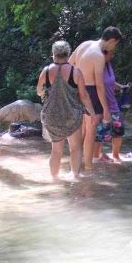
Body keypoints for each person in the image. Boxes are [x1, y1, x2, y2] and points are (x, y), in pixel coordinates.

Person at [38, 40, 95, 180]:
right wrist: (92, 112)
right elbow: (84, 96)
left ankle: (54, 179)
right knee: (75, 148)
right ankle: (75, 176)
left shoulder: (46, 71)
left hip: (52, 116)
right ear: (68, 54)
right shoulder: (75, 72)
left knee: (56, 151)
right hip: (72, 115)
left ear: (53, 54)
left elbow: (39, 91)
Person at [68, 26, 124, 170]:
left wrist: (78, 79)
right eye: (115, 44)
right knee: (90, 132)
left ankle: (75, 166)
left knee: (80, 131)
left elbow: (70, 63)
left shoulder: (85, 44)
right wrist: (106, 109)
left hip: (77, 90)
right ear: (112, 40)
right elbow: (100, 85)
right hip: (91, 91)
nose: (114, 47)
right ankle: (88, 167)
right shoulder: (99, 56)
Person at [95, 49, 125, 163]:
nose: (112, 56)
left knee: (118, 131)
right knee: (99, 134)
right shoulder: (97, 66)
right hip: (100, 106)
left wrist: (121, 87)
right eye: (110, 54)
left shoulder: (109, 65)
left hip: (113, 104)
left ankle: (115, 156)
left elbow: (110, 82)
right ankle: (99, 156)